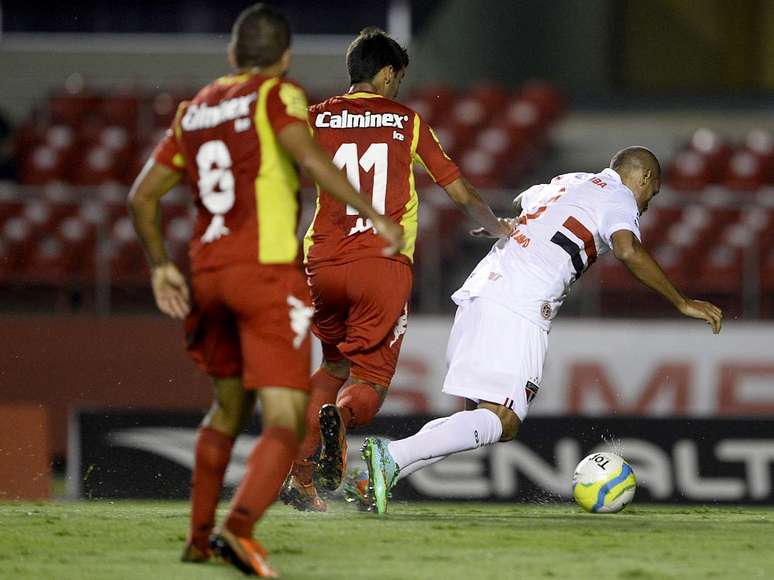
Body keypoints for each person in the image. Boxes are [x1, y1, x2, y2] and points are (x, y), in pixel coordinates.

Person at [128, 4, 402, 576]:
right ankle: (239, 532)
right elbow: (310, 158)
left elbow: (141, 197)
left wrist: (159, 266)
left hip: (207, 275)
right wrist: (369, 212)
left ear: (231, 54)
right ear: (284, 58)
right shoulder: (278, 96)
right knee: (284, 415)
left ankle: (199, 538)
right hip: (264, 275)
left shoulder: (193, 110)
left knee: (225, 411)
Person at [362, 147, 724, 514]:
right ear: (644, 177)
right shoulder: (619, 196)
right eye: (653, 193)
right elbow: (627, 251)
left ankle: (380, 473)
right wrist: (681, 301)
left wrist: (513, 222)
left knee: (483, 417)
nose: (647, 204)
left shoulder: (570, 181)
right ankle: (390, 453)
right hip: (519, 304)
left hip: (483, 291)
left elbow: (526, 198)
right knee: (503, 421)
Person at [280, 28, 512, 512]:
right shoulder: (405, 122)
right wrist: (496, 227)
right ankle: (339, 423)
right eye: (398, 78)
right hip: (380, 267)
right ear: (387, 73)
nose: (398, 88)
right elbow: (458, 189)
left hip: (321, 264)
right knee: (371, 382)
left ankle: (300, 479)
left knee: (331, 366)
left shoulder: (316, 117)